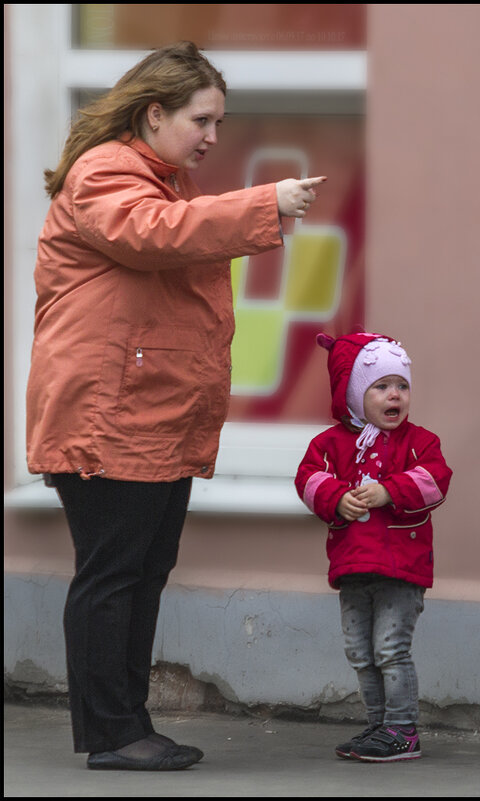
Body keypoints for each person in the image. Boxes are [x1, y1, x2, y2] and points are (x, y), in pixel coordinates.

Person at [26, 41, 326, 772]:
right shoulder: (107, 176)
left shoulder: (152, 180)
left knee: (140, 572)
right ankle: (111, 732)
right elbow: (153, 236)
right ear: (153, 113)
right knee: (114, 577)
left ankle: (127, 725)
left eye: (219, 122)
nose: (212, 137)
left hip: (141, 417)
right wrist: (266, 203)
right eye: (202, 120)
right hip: (108, 421)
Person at [294, 331, 452, 762]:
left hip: (401, 570)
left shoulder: (420, 442)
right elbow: (308, 478)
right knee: (361, 653)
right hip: (353, 568)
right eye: (381, 386)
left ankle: (402, 731)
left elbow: (436, 480)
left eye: (401, 385)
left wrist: (390, 491)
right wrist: (334, 496)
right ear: (353, 395)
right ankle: (378, 726)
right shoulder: (330, 445)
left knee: (390, 649)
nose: (394, 395)